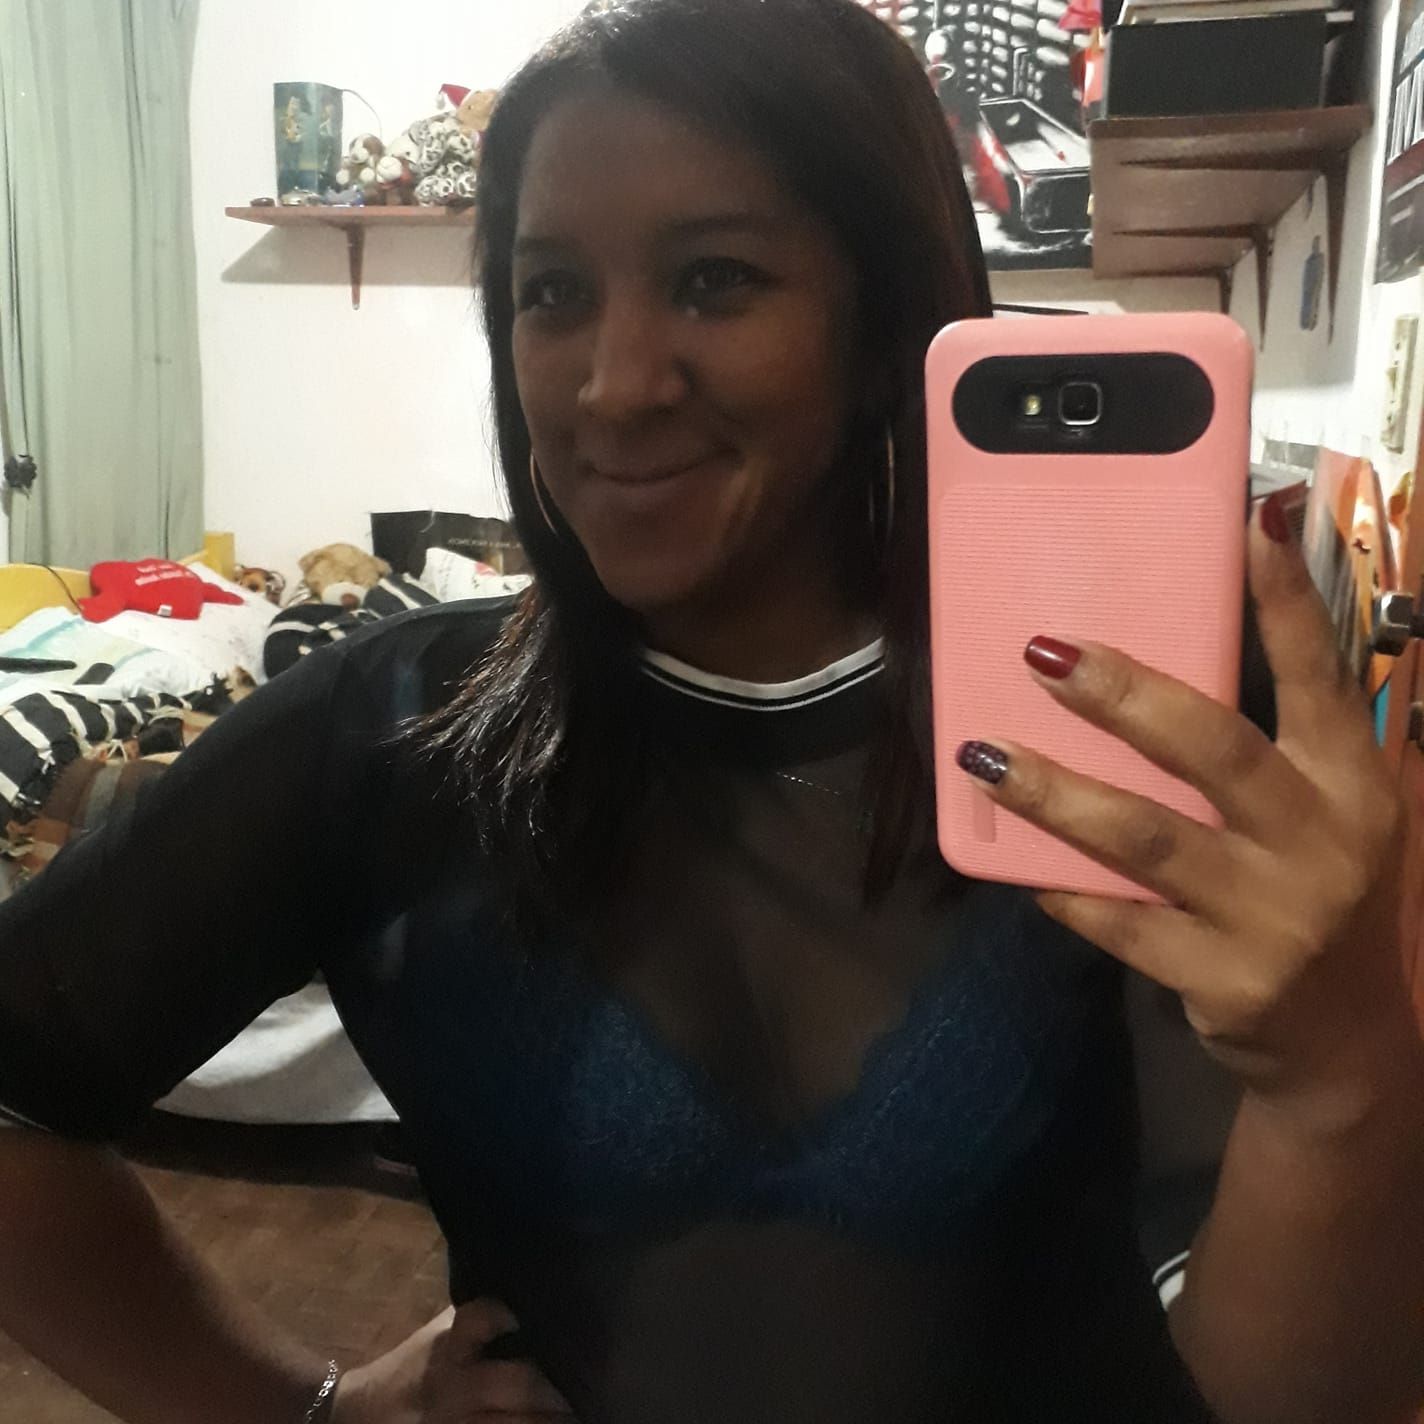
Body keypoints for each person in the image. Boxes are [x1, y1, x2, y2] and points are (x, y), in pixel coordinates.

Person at [2, 2, 1422, 1421]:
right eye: (552, 292)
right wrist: (302, 1410)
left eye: (715, 281)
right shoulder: (391, 733)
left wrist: (1339, 1086)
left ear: (883, 324)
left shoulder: (1123, 733)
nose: (614, 385)